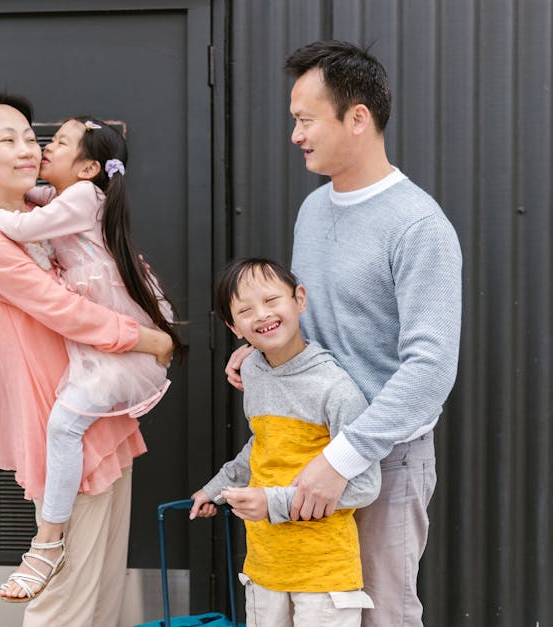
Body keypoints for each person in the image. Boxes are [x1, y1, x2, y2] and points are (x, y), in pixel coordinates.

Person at [225, 41, 462, 626]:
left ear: (357, 118)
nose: (296, 134)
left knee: (382, 612)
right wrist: (260, 346)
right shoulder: (313, 209)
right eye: (294, 121)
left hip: (383, 456)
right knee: (307, 605)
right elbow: (318, 319)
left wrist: (343, 457)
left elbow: (431, 368)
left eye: (306, 120)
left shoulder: (419, 225)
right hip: (303, 449)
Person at [0, 93, 174, 625]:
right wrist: (148, 339)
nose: (28, 149)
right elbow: (62, 310)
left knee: (101, 588)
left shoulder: (37, 210)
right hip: (64, 418)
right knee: (67, 604)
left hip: (96, 411)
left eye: (30, 137)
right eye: (7, 139)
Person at [191, 258, 379, 626]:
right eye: (245, 310)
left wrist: (272, 502)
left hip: (324, 575)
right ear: (233, 326)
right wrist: (216, 488)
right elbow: (262, 445)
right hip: (264, 567)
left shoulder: (336, 388)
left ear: (300, 300)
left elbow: (365, 486)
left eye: (272, 300)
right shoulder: (253, 370)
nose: (261, 315)